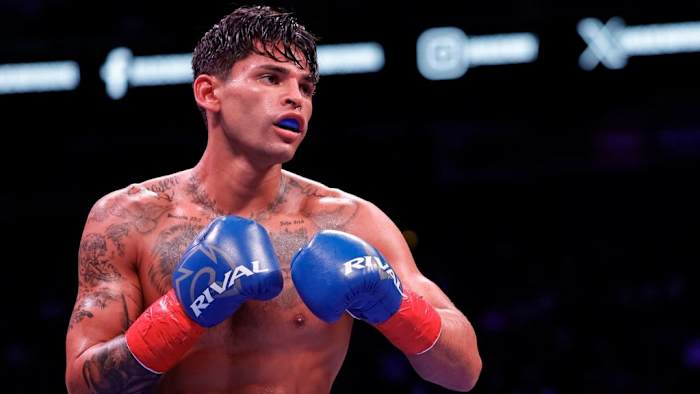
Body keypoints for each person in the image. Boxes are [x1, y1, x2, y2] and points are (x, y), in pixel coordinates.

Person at [65, 5, 482, 393]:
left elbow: (464, 371)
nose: (295, 98)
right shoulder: (129, 218)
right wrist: (181, 312)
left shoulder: (350, 221)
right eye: (271, 77)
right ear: (209, 93)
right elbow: (81, 382)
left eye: (306, 86)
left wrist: (395, 306)